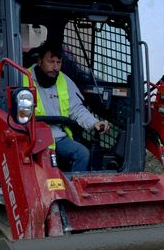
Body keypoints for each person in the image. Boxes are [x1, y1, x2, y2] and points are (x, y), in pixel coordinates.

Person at [25, 41, 109, 171]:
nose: (55, 67)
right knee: (46, 163)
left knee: (82, 154)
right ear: (40, 60)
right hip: (33, 137)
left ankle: (73, 188)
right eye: (51, 62)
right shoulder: (23, 79)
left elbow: (77, 109)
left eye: (58, 63)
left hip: (58, 137)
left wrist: (94, 123)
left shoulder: (64, 81)